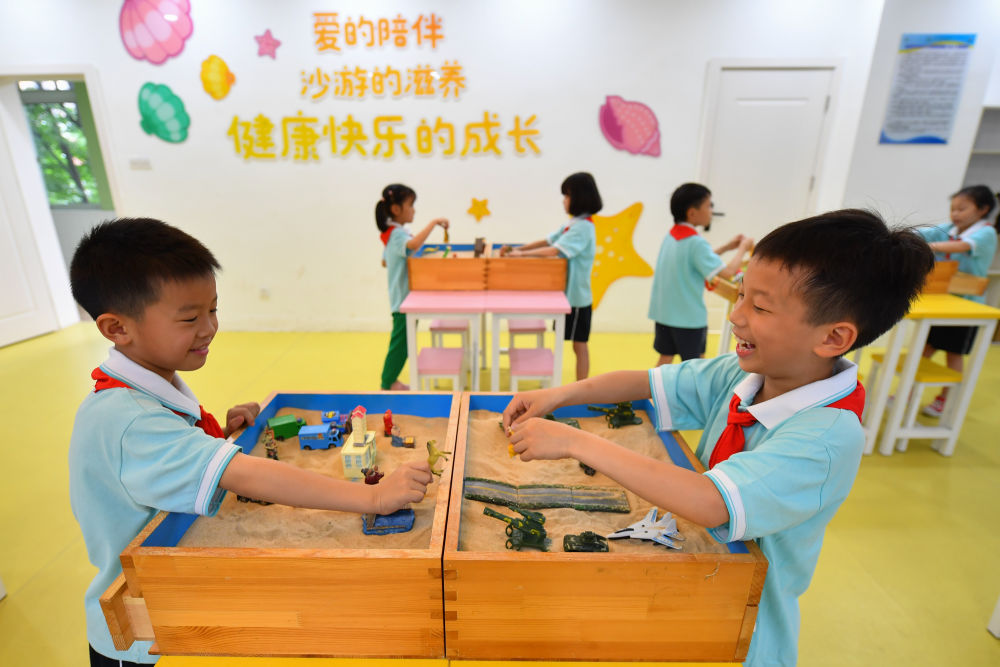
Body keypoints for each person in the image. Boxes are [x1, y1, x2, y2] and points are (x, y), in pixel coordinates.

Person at [501, 210, 934, 667]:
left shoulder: (826, 438)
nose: (736, 317)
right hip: (689, 595)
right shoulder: (744, 373)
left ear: (833, 338)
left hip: (743, 633)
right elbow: (648, 382)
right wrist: (559, 394)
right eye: (740, 293)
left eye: (761, 308)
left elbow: (712, 502)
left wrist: (576, 442)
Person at [68, 218, 433, 667]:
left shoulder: (142, 392)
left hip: (177, 604)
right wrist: (373, 497)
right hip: (144, 637)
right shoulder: (129, 419)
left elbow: (159, 467)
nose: (209, 328)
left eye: (213, 310)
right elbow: (247, 475)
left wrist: (215, 439)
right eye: (189, 318)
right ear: (117, 328)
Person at [498, 172, 601, 380]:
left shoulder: (583, 228)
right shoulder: (573, 223)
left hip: (577, 298)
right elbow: (547, 241)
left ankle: (582, 385)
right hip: (568, 295)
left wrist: (521, 255)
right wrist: (517, 249)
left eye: (567, 196)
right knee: (576, 344)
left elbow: (554, 250)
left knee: (579, 345)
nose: (564, 201)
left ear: (578, 198)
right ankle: (579, 384)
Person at [915, 185, 1000, 417]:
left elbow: (961, 247)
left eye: (962, 209)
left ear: (983, 209)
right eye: (953, 209)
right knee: (925, 348)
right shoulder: (948, 229)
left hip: (967, 307)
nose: (955, 214)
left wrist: (924, 247)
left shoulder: (985, 233)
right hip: (942, 303)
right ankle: (908, 392)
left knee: (953, 353)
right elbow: (922, 234)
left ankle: (945, 399)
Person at [649, 182, 754, 365]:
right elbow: (728, 273)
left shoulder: (672, 236)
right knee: (697, 365)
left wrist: (727, 247)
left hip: (665, 314)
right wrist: (743, 249)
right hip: (688, 319)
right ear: (692, 213)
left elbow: (695, 261)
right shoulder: (696, 243)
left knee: (665, 358)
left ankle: (653, 385)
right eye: (708, 206)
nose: (711, 211)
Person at [377, 183, 449, 391]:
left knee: (403, 343)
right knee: (400, 345)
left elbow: (385, 261)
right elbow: (414, 244)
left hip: (403, 298)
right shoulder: (397, 235)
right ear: (396, 209)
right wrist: (433, 223)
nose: (413, 210)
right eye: (410, 205)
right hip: (402, 300)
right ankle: (386, 383)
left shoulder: (394, 233)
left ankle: (392, 381)